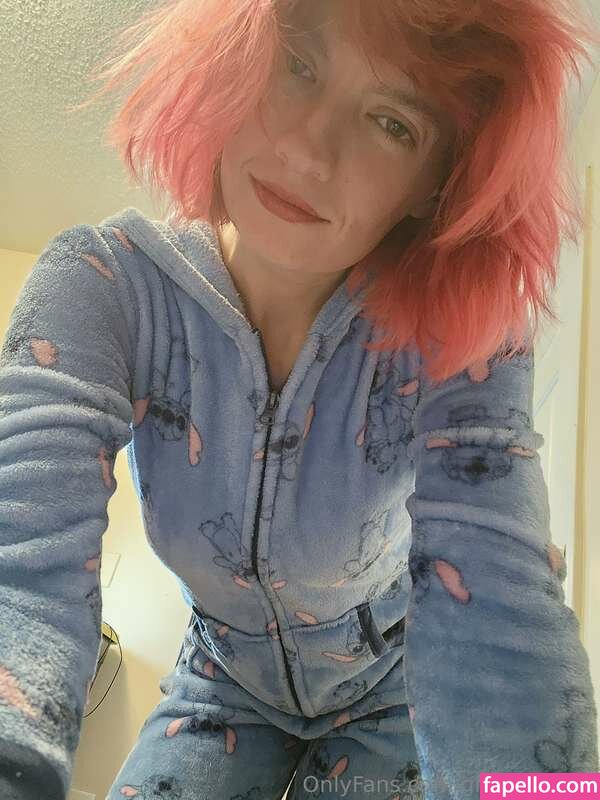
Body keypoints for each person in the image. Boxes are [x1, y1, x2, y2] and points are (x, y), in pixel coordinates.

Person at [1, 1, 599, 798]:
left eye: (393, 123)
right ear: (233, 58)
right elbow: (21, 558)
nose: (308, 151)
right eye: (298, 64)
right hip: (217, 685)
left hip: (397, 686)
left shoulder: (461, 338)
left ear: (436, 184)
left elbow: (495, 591)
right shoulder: (104, 287)